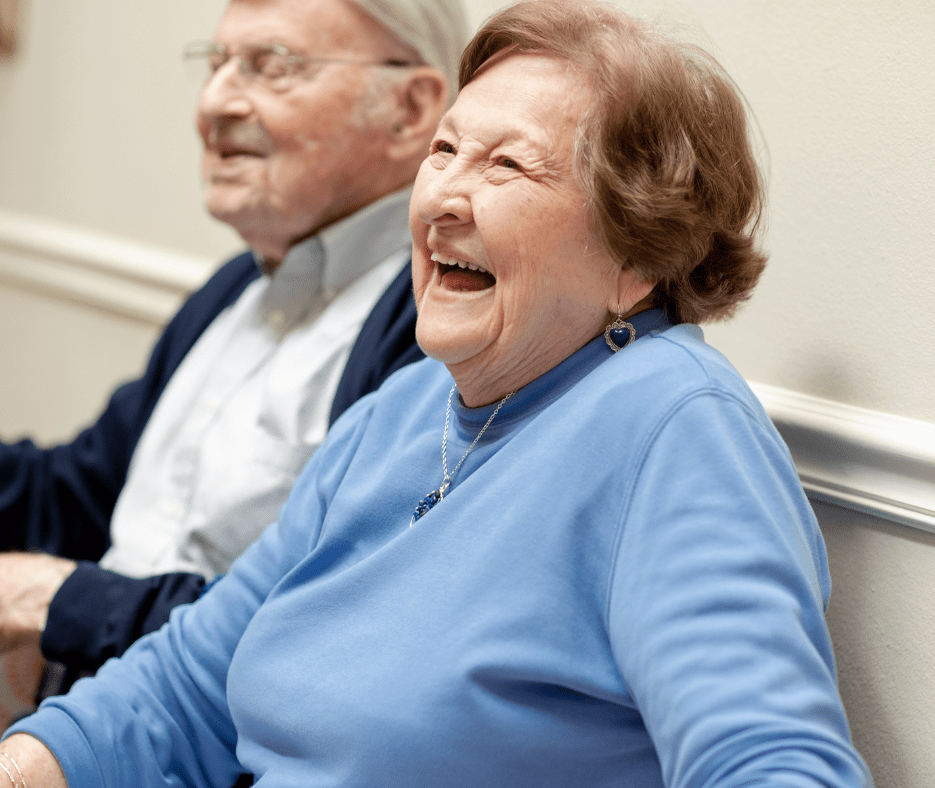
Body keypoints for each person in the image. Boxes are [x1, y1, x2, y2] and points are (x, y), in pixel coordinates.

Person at [1, 1, 873, 785]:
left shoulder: (673, 426)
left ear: (636, 251)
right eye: (444, 151)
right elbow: (190, 687)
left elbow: (775, 764)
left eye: (505, 167)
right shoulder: (401, 412)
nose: (442, 199)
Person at [0, 0, 465, 699]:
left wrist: (63, 601)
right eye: (216, 64)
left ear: (409, 110)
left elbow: (328, 627)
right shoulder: (235, 289)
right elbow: (76, 493)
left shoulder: (438, 332)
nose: (213, 102)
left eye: (270, 66)